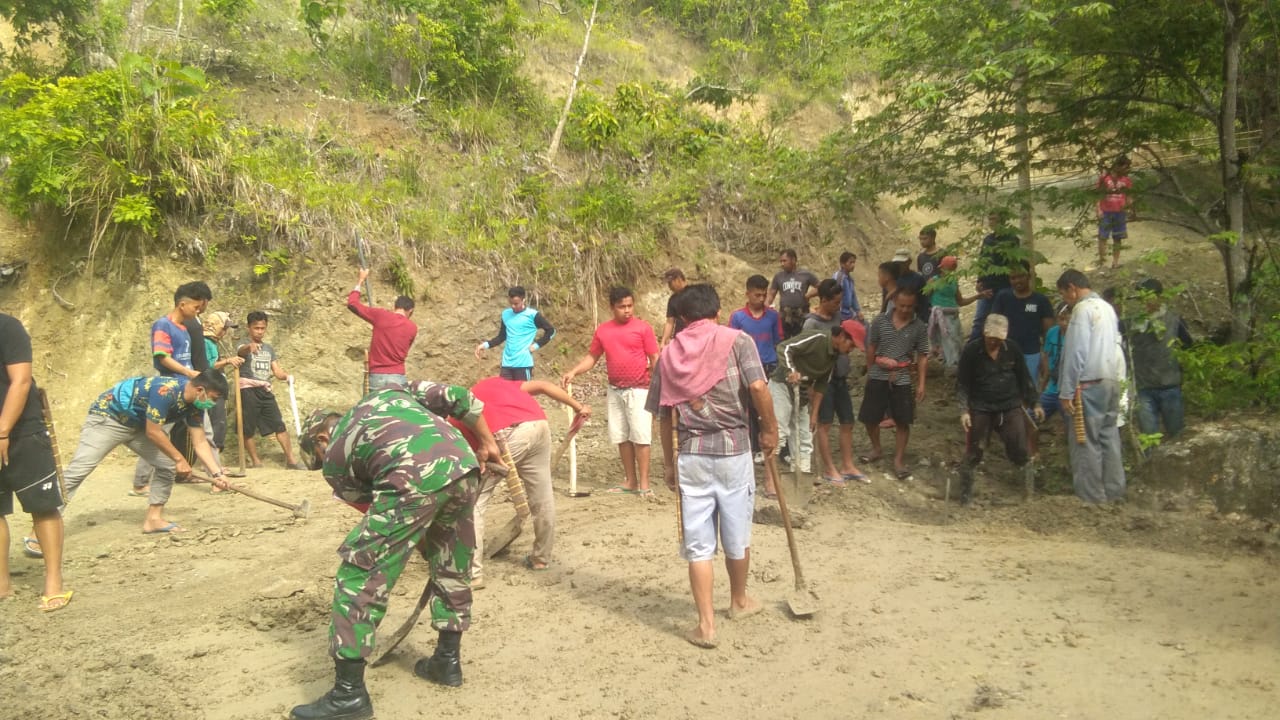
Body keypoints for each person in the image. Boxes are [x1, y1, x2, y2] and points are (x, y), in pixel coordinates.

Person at [290, 382, 500, 720]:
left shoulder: (334, 457)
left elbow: (372, 506)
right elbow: (460, 397)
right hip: (463, 466)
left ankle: (348, 696)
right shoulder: (390, 393)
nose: (321, 461)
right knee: (451, 564)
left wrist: (408, 538)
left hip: (411, 479)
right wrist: (488, 441)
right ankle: (447, 663)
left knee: (360, 573)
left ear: (320, 440)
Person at [647, 284, 779, 649]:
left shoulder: (669, 354)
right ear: (717, 312)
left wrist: (668, 465)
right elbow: (758, 388)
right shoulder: (738, 341)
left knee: (699, 544)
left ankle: (705, 625)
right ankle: (739, 600)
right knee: (737, 532)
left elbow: (663, 415)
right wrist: (770, 430)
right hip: (734, 450)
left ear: (683, 318)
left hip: (691, 455)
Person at [61, 371, 231, 534]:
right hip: (109, 418)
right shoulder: (166, 391)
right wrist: (179, 459)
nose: (213, 404)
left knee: (167, 466)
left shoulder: (195, 405)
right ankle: (42, 528)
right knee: (79, 470)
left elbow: (200, 442)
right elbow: (154, 432)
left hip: (138, 425)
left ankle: (153, 520)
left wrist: (217, 474)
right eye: (214, 398)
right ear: (200, 390)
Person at [464, 376, 589, 579]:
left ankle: (472, 573)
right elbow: (544, 385)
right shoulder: (500, 383)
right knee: (542, 495)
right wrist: (578, 406)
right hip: (538, 425)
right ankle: (541, 559)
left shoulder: (457, 411)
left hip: (508, 433)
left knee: (475, 501)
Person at [0, 313, 71, 611]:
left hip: (23, 431)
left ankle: (53, 582)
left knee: (42, 507)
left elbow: (21, 381)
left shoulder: (7, 327)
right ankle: (2, 584)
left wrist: (2, 431)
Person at [561, 287, 660, 496]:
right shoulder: (603, 331)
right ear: (612, 308)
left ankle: (644, 483)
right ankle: (630, 480)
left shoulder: (643, 328)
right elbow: (592, 357)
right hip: (615, 390)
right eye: (622, 306)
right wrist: (573, 372)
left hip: (640, 389)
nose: (627, 310)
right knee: (621, 436)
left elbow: (655, 358)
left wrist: (657, 386)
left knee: (641, 437)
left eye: (630, 306)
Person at [956, 314, 1044, 505]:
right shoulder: (972, 351)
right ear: (984, 334)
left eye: (998, 339)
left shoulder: (1012, 349)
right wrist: (964, 410)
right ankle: (965, 496)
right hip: (981, 406)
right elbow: (963, 383)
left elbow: (1024, 378)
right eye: (991, 338)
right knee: (974, 451)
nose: (994, 342)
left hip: (1009, 405)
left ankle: (1029, 494)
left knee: (1019, 449)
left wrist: (1035, 402)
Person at [1057, 270, 1127, 503]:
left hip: (1088, 383)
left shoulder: (1082, 310)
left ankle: (1091, 498)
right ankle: (1114, 492)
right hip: (1110, 380)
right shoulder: (1107, 308)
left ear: (1072, 288)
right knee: (1109, 437)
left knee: (1084, 440)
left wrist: (1066, 391)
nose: (1066, 301)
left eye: (1064, 295)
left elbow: (1076, 352)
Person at [132, 283, 205, 496]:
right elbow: (162, 357)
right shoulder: (163, 325)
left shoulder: (184, 329)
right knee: (158, 434)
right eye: (195, 307)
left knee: (201, 431)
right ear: (182, 304)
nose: (198, 311)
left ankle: (214, 475)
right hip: (168, 389)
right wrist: (188, 372)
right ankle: (140, 482)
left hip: (188, 387)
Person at [770, 323, 861, 478]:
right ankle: (771, 479)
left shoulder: (835, 356)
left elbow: (821, 384)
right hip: (782, 386)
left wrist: (814, 414)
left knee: (804, 437)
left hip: (802, 391)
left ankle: (800, 477)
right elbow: (784, 348)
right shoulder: (817, 338)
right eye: (850, 344)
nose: (851, 349)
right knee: (779, 432)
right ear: (840, 336)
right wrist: (791, 371)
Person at [859, 288, 929, 480]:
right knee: (870, 416)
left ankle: (898, 460)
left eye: (909, 306)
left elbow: (923, 356)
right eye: (902, 306)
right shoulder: (880, 321)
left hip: (903, 376)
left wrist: (922, 383)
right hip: (878, 373)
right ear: (894, 304)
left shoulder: (919, 327)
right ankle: (876, 448)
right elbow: (871, 347)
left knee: (903, 419)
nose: (905, 310)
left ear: (915, 305)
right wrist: (870, 370)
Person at [802, 280, 866, 486]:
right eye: (835, 302)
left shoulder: (838, 318)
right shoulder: (811, 323)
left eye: (840, 302)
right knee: (825, 423)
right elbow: (806, 354)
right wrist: (811, 385)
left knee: (847, 421)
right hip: (822, 380)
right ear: (823, 300)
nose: (838, 306)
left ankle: (847, 465)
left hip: (840, 377)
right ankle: (829, 468)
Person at [991, 262, 1055, 457]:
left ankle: (1032, 450)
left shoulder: (1040, 301)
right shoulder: (1003, 297)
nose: (1016, 281)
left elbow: (1049, 333)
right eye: (1012, 277)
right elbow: (994, 324)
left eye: (1020, 276)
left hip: (1031, 355)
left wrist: (1045, 357)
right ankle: (1011, 445)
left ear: (1029, 276)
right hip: (1005, 355)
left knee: (1028, 400)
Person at [237, 311, 305, 469]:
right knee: (247, 428)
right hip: (247, 390)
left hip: (265, 390)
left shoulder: (268, 348)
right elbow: (241, 351)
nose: (259, 331)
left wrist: (286, 376)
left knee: (279, 425)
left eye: (263, 328)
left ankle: (291, 460)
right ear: (249, 328)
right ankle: (256, 461)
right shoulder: (242, 343)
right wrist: (249, 347)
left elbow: (276, 370)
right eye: (256, 328)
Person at [728, 275, 782, 472]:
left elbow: (778, 342)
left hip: (767, 367)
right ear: (748, 294)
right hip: (744, 370)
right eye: (757, 294)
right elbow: (731, 345)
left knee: (765, 410)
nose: (761, 298)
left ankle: (765, 448)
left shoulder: (773, 317)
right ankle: (748, 448)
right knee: (746, 410)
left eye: (763, 294)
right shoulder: (737, 317)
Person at [1127, 278, 1193, 440]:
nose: (1145, 302)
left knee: (1176, 435)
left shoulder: (1174, 320)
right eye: (1141, 297)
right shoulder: (1132, 322)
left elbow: (1188, 347)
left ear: (1159, 297)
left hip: (1169, 386)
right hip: (1144, 388)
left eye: (1148, 296)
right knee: (1149, 439)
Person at [347, 268, 418, 390]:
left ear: (395, 306)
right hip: (398, 378)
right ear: (410, 310)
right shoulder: (412, 328)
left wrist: (361, 280)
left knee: (371, 408)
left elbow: (352, 304)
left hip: (377, 376)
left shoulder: (381, 316)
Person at [474, 286, 556, 381]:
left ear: (523, 300)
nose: (513, 306)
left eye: (516, 304)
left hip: (523, 364)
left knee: (522, 394)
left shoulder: (532, 315)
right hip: (506, 364)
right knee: (505, 395)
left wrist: (536, 345)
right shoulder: (506, 314)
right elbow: (502, 336)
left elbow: (551, 331)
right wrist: (484, 345)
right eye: (511, 303)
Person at [969, 210, 1022, 341]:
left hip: (1005, 285)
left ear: (1002, 221)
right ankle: (973, 347)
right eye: (990, 219)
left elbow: (1014, 263)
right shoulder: (988, 240)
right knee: (980, 319)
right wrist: (979, 280)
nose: (991, 222)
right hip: (988, 286)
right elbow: (983, 261)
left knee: (1005, 318)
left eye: (994, 219)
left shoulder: (1012, 239)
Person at [925, 256, 983, 369]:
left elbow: (960, 301)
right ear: (941, 269)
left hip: (953, 315)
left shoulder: (954, 282)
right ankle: (951, 367)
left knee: (957, 340)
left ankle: (956, 366)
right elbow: (925, 296)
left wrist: (978, 296)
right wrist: (932, 310)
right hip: (941, 316)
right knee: (948, 342)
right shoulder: (934, 281)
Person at [202, 311, 243, 462]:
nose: (225, 332)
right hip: (210, 389)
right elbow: (206, 366)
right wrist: (227, 361)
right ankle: (212, 463)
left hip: (216, 388)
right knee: (215, 425)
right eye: (224, 328)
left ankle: (213, 462)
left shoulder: (213, 342)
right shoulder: (205, 342)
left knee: (218, 425)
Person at [766, 248, 820, 339]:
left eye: (784, 261)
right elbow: (771, 293)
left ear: (794, 260)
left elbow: (821, 287)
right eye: (781, 261)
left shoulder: (806, 274)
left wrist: (809, 295)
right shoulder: (778, 276)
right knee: (783, 338)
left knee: (801, 338)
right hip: (785, 314)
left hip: (802, 313)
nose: (782, 264)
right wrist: (766, 306)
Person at [1097, 155, 1134, 270]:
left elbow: (1129, 196)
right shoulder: (1104, 178)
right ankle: (1102, 263)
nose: (1127, 170)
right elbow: (1098, 195)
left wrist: (1131, 209)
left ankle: (1115, 263)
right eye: (1125, 167)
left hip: (1120, 212)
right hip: (1106, 211)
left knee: (1117, 238)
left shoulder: (1126, 180)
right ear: (1118, 166)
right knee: (1103, 237)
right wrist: (1098, 209)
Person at [1038, 303, 1071, 425]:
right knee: (1031, 417)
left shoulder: (1078, 335)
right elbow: (1046, 356)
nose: (1064, 323)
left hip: (1068, 389)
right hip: (1052, 387)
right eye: (1061, 319)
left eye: (1067, 320)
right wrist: (1042, 386)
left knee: (1072, 423)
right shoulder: (1052, 332)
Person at [891, 248, 931, 322]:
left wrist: (924, 321)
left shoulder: (918, 279)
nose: (899, 265)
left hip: (914, 319)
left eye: (902, 262)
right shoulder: (892, 279)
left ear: (909, 262)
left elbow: (924, 302)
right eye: (897, 263)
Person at [659, 267, 689, 347]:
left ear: (678, 279)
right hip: (679, 339)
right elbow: (670, 322)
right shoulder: (673, 300)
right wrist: (663, 341)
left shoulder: (694, 294)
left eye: (670, 283)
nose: (669, 286)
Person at [834, 251, 863, 323]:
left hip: (848, 313)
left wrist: (858, 311)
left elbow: (853, 297)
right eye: (850, 262)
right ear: (842, 264)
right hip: (841, 314)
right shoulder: (840, 277)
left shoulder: (850, 279)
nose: (853, 265)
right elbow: (835, 295)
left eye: (854, 262)